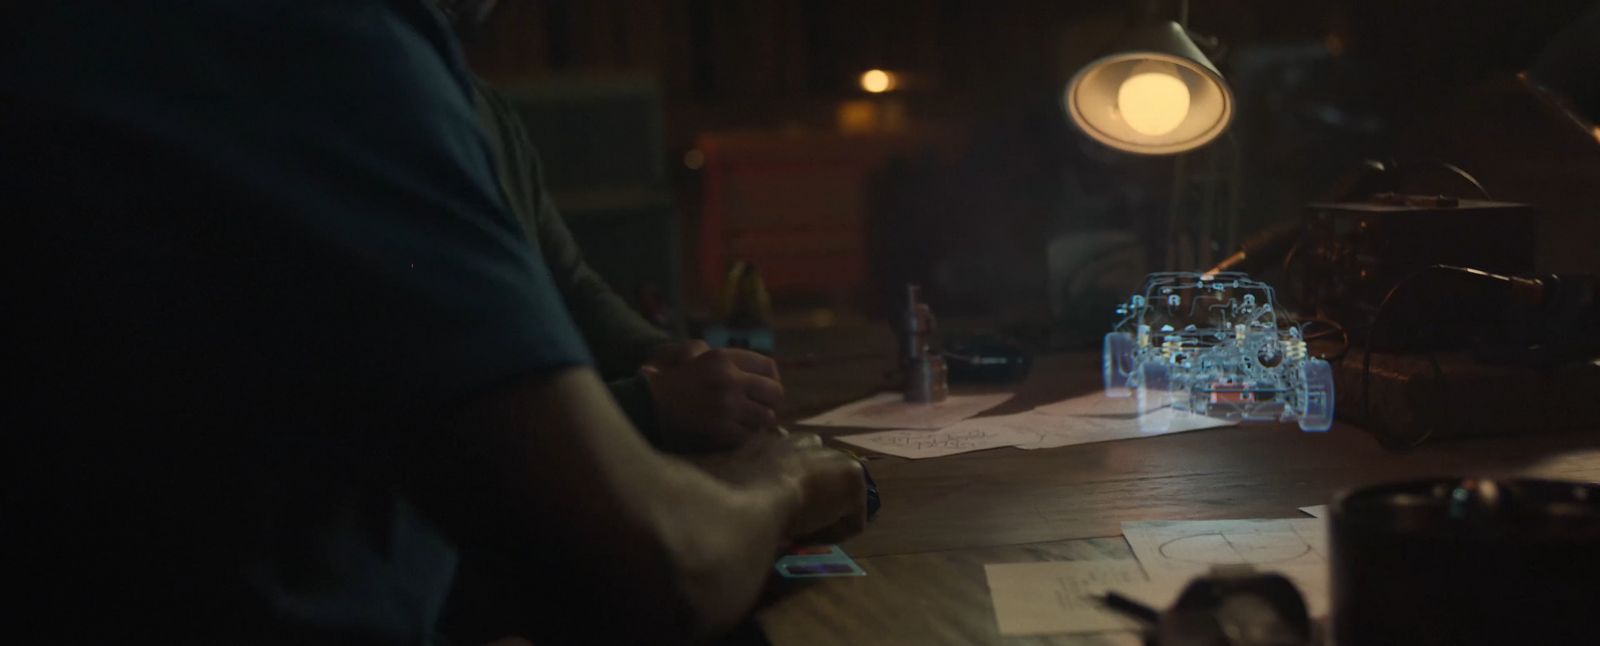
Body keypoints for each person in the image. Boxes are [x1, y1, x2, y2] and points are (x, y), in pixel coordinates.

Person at [1, 2, 865, 644]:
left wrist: (661, 358)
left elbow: (563, 294)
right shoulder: (329, 44)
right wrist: (788, 480)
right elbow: (660, 566)